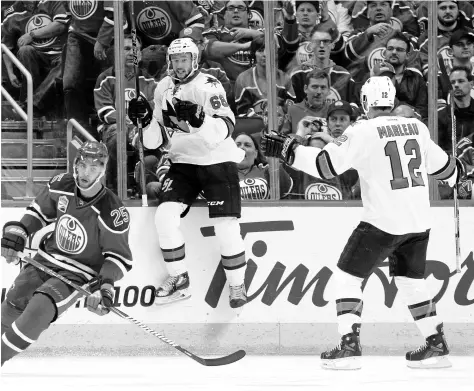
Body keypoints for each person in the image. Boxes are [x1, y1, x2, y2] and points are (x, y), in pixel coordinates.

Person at [261, 76, 462, 369]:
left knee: (347, 277)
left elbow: (325, 167)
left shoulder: (363, 131)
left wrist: (288, 151)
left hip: (383, 221)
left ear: (366, 102)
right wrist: (460, 172)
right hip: (418, 222)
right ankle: (436, 344)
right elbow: (447, 170)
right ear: (392, 101)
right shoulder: (417, 127)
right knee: (411, 282)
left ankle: (349, 347)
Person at [128, 38, 247, 308]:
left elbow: (227, 127)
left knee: (225, 226)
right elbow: (154, 142)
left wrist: (201, 119)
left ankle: (237, 284)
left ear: (194, 61)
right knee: (164, 216)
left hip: (217, 160)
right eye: (175, 60)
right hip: (183, 162)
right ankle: (179, 279)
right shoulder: (163, 88)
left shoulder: (209, 85)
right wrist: (145, 122)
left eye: (184, 60)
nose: (179, 65)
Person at [1, 141, 133, 366]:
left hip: (77, 274)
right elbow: (38, 213)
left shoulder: (113, 210)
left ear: (102, 171)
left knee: (40, 308)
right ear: (75, 164)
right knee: (13, 302)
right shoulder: (61, 184)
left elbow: (118, 258)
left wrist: (105, 287)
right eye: (82, 165)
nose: (86, 172)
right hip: (45, 260)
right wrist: (19, 232)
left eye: (93, 168)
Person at [94, 34, 160, 195]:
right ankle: (116, 188)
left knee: (160, 137)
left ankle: (149, 184)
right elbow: (105, 112)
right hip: (114, 128)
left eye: (136, 49)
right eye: (127, 49)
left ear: (141, 54)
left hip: (141, 128)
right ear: (117, 52)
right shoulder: (106, 78)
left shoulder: (150, 81)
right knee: (119, 135)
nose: (132, 52)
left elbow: (155, 109)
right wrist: (129, 122)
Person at [235, 133, 292, 200]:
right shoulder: (223, 175)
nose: (242, 148)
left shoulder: (268, 171)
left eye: (247, 145)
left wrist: (273, 163)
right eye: (237, 145)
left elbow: (284, 190)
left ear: (255, 154)